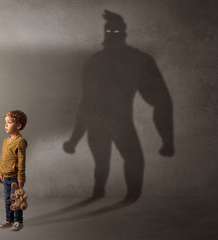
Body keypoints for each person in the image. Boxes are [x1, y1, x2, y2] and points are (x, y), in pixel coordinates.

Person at [63, 10, 174, 201]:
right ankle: (111, 194)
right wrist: (167, 141)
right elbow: (86, 104)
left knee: (112, 161)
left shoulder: (111, 62)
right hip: (112, 123)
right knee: (112, 161)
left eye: (115, 32)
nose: (112, 36)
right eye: (110, 32)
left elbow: (162, 103)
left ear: (122, 34)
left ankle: (111, 194)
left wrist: (168, 140)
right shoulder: (130, 61)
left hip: (108, 123)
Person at [0, 110, 28, 231]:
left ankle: (18, 222)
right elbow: (2, 158)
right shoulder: (5, 141)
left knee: (16, 200)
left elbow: (21, 160)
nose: (6, 125)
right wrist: (0, 173)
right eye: (5, 123)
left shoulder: (20, 141)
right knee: (7, 199)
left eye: (9, 123)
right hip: (5, 176)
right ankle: (8, 219)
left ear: (18, 125)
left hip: (15, 177)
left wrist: (21, 176)